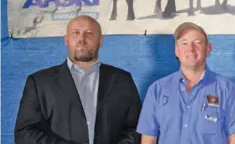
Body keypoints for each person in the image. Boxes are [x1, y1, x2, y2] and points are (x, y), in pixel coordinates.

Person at [14, 15, 142, 144]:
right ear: (66, 40)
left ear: (100, 40)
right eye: (75, 33)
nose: (82, 39)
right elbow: (25, 134)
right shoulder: (39, 83)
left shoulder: (123, 80)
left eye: (89, 33)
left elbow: (138, 128)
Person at [137, 22, 235, 144]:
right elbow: (148, 139)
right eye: (184, 43)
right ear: (176, 50)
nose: (191, 48)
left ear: (208, 49)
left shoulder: (228, 89)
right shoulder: (157, 90)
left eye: (197, 43)